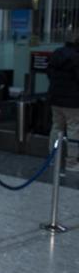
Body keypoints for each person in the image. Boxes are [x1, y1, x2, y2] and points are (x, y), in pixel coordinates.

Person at [48, 31, 79, 170]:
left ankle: (53, 158)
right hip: (73, 100)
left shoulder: (56, 53)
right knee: (73, 129)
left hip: (55, 97)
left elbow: (49, 73)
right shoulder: (77, 57)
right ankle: (71, 162)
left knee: (56, 127)